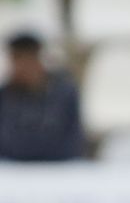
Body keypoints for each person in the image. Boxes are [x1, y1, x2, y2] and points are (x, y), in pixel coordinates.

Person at [0, 32, 84, 162]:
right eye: (16, 60)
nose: (22, 68)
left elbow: (73, 141)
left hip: (59, 172)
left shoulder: (63, 94)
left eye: (26, 59)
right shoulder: (5, 97)